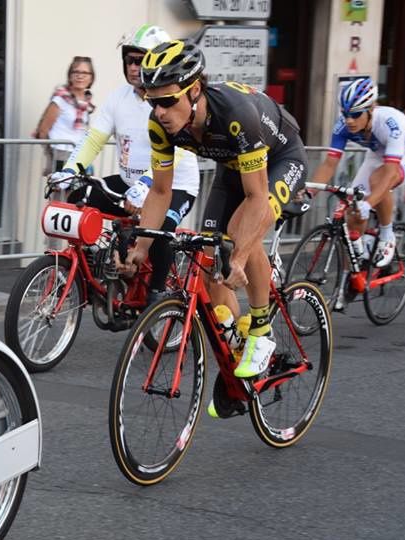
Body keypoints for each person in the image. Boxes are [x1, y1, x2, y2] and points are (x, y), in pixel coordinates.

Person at [123, 40, 307, 385]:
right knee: (210, 256)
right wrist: (141, 248)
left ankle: (261, 331)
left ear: (194, 91)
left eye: (167, 101)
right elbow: (161, 190)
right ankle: (235, 355)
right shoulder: (159, 124)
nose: (160, 111)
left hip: (282, 156)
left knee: (241, 238)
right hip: (233, 166)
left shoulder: (236, 115)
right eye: (152, 101)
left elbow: (256, 198)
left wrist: (238, 256)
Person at [48, 25, 200, 304]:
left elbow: (177, 149)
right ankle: (103, 265)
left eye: (139, 59)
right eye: (129, 59)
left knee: (160, 232)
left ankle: (157, 298)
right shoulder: (118, 97)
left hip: (175, 185)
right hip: (132, 184)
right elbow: (94, 139)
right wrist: (70, 169)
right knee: (80, 198)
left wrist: (146, 184)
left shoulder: (168, 99)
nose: (133, 66)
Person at [310, 77, 405, 289]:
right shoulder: (342, 126)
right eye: (345, 114)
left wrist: (369, 203)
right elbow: (329, 164)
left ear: (371, 109)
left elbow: (390, 172)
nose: (349, 121)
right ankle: (356, 265)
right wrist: (308, 192)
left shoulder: (392, 121)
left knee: (377, 182)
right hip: (376, 157)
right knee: (353, 211)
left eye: (355, 115)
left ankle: (387, 234)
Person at [33, 57, 96, 172]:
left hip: (81, 154)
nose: (80, 76)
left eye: (85, 73)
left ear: (91, 78)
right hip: (61, 154)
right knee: (63, 189)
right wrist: (51, 156)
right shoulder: (60, 99)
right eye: (76, 72)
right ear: (70, 75)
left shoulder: (87, 102)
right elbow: (43, 130)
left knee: (85, 189)